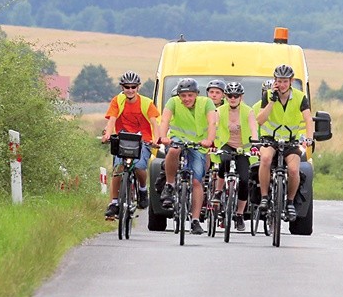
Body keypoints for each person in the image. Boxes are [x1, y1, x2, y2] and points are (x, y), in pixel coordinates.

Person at [158, 78, 217, 235]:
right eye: (183, 96)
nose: (186, 99)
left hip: (199, 143)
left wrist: (209, 140)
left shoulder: (207, 103)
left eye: (190, 95)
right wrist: (163, 136)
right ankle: (170, 184)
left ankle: (195, 220)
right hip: (178, 138)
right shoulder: (173, 102)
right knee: (173, 151)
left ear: (196, 94)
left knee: (197, 181)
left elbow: (212, 123)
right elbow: (164, 120)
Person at [256, 64, 314, 222]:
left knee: (294, 169)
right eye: (279, 81)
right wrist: (271, 102)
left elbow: (308, 118)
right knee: (266, 159)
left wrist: (309, 138)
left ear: (291, 81)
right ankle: (265, 197)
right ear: (274, 81)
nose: (282, 85)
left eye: (285, 81)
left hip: (291, 140)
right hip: (270, 139)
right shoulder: (268, 95)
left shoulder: (300, 97)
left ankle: (289, 202)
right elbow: (260, 120)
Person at [102, 71, 161, 219]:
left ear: (138, 88)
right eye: (127, 87)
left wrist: (157, 139)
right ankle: (114, 203)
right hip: (123, 139)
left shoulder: (146, 103)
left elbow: (155, 123)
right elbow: (112, 119)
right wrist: (108, 134)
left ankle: (142, 189)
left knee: (140, 166)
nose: (130, 90)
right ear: (122, 87)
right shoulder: (117, 101)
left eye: (133, 87)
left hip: (143, 140)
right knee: (118, 168)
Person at [211, 82, 259, 231]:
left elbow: (253, 128)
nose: (232, 98)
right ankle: (218, 192)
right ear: (225, 96)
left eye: (236, 96)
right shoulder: (220, 111)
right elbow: (213, 127)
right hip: (226, 144)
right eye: (230, 95)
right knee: (223, 161)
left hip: (242, 148)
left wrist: (255, 145)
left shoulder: (248, 111)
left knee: (244, 179)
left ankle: (239, 215)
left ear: (241, 97)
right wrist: (212, 142)